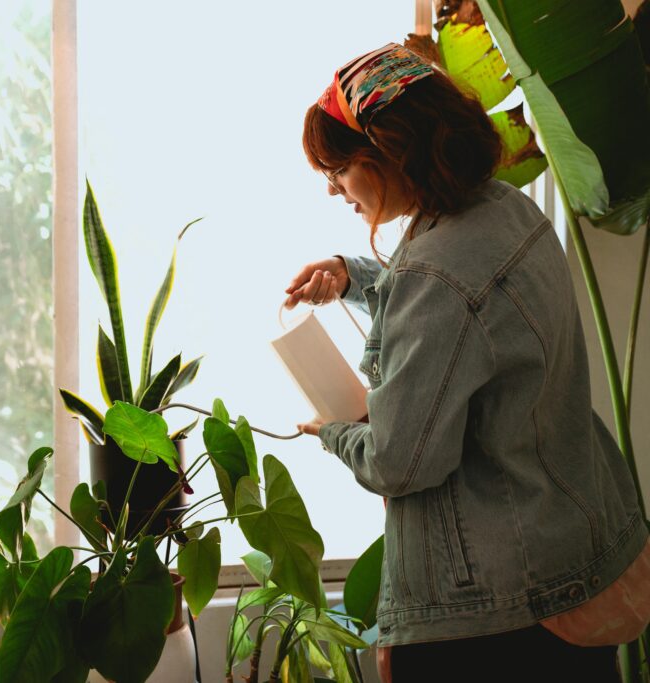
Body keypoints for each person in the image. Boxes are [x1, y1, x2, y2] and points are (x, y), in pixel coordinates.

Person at [284, 43, 650, 682]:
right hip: (567, 574)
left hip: (493, 619)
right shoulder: (510, 211)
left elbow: (401, 460)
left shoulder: (434, 272)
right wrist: (353, 277)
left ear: (388, 155)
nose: (336, 189)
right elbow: (470, 316)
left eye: (339, 169)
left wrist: (334, 434)